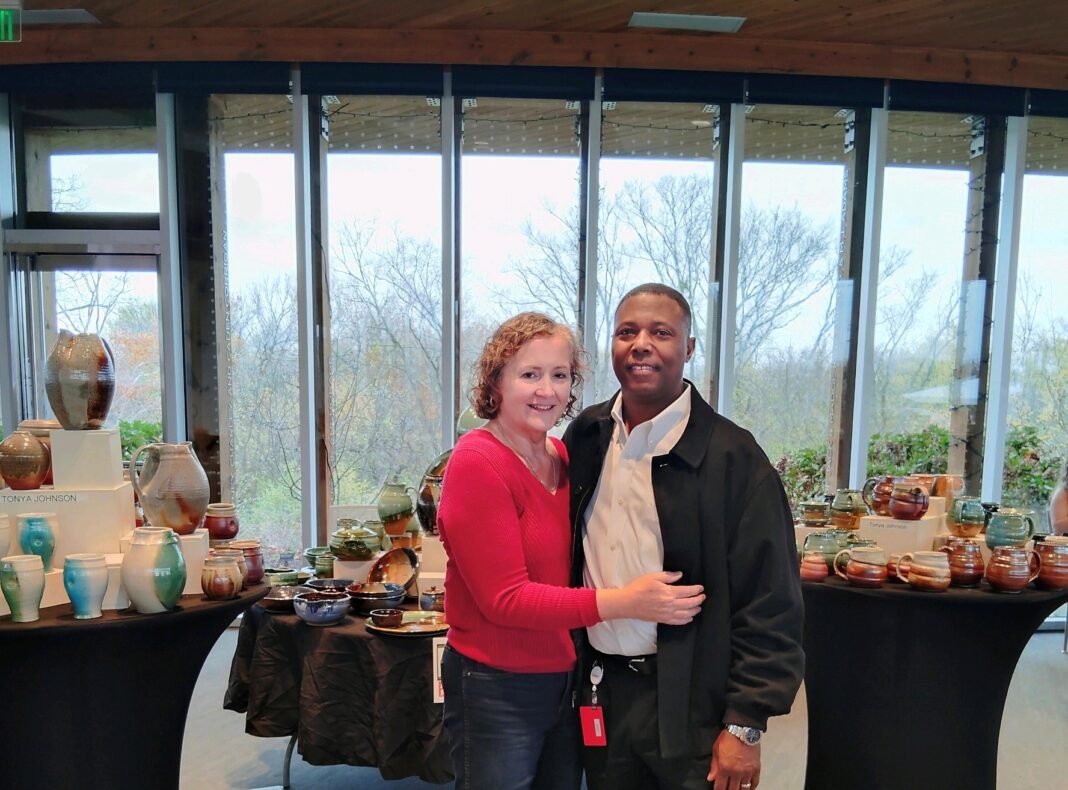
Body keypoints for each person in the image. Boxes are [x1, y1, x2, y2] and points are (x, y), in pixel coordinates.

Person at [436, 311, 705, 790]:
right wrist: (628, 601)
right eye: (529, 375)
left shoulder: (560, 455)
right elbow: (506, 599)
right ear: (495, 382)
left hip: (566, 675)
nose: (547, 390)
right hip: (495, 683)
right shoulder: (477, 462)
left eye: (559, 375)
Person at [564, 284, 804, 790]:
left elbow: (772, 602)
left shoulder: (734, 459)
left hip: (695, 705)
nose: (641, 344)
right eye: (627, 331)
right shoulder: (587, 437)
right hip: (602, 691)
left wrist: (745, 724)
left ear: (689, 349)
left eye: (662, 332)